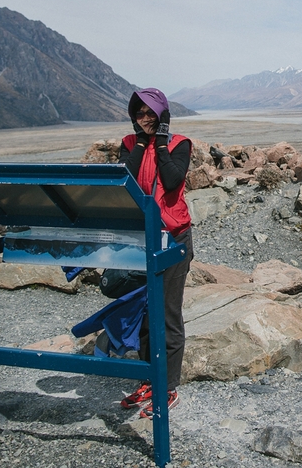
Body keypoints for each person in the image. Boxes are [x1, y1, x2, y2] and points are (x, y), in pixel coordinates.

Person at [117, 88, 194, 420]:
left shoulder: (180, 144)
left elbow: (173, 180)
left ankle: (169, 386)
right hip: (142, 241)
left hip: (174, 239)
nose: (145, 119)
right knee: (146, 315)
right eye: (140, 114)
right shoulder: (129, 144)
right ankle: (150, 380)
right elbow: (125, 178)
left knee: (168, 315)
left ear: (163, 114)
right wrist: (141, 141)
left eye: (151, 113)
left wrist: (160, 142)